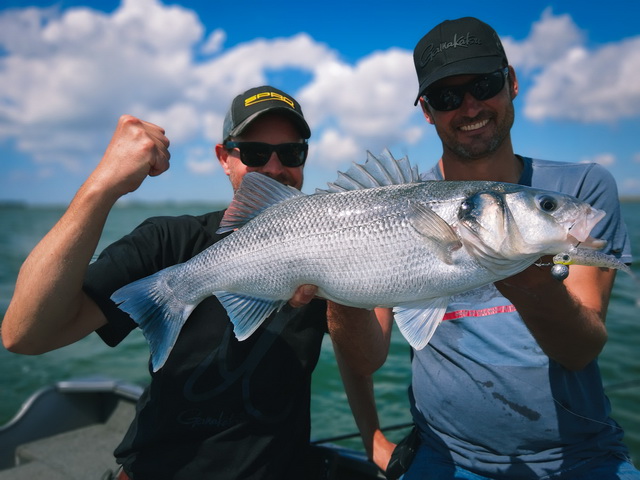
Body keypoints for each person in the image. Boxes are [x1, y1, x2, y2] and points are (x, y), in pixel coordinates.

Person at [328, 17, 639, 479]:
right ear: (427, 111)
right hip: (444, 458)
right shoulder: (390, 209)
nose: (469, 106)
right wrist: (336, 289)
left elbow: (580, 351)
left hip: (580, 456)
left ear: (511, 82)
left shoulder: (581, 188)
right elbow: (367, 358)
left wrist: (523, 277)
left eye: (484, 84)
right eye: (446, 97)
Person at [2, 86, 330, 479]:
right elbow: (25, 335)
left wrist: (375, 437)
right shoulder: (169, 241)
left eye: (292, 153)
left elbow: (367, 363)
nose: (275, 168)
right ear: (225, 158)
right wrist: (102, 186)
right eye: (256, 153)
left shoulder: (333, 242)